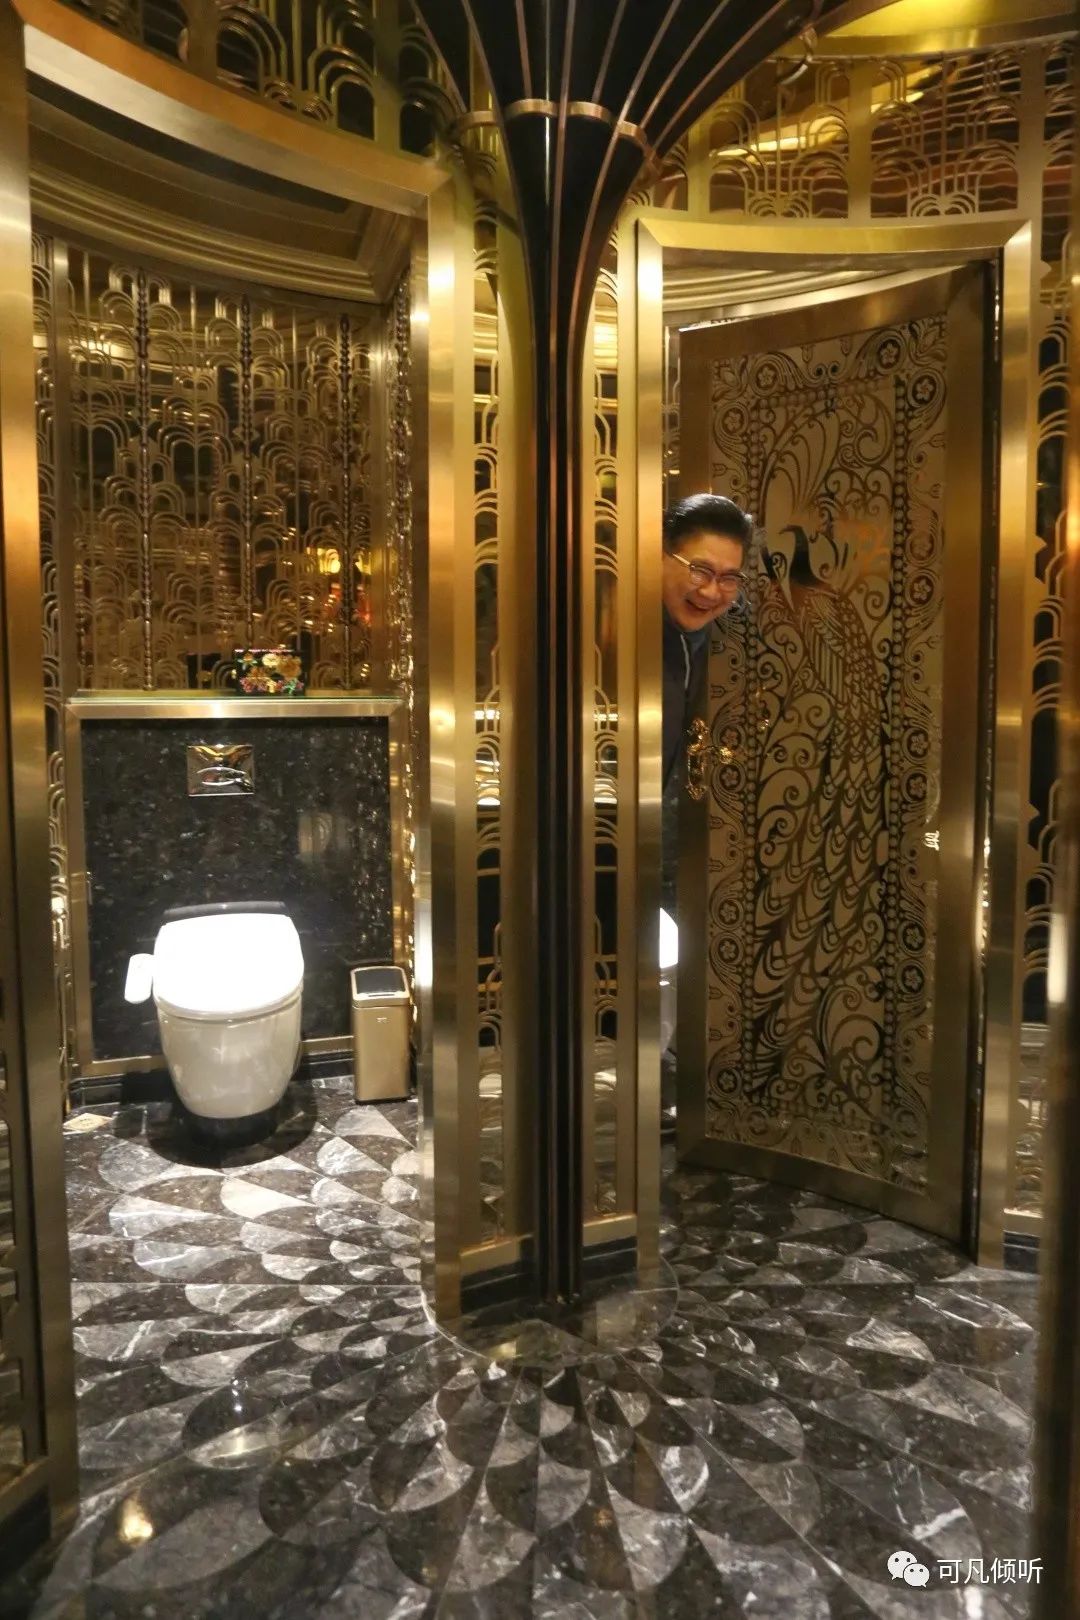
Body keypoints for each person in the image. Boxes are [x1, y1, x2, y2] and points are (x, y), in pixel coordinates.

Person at [660, 493, 753, 915]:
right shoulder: (623, 631)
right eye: (699, 570)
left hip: (696, 850)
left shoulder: (739, 633)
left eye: (730, 577)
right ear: (662, 555)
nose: (712, 591)